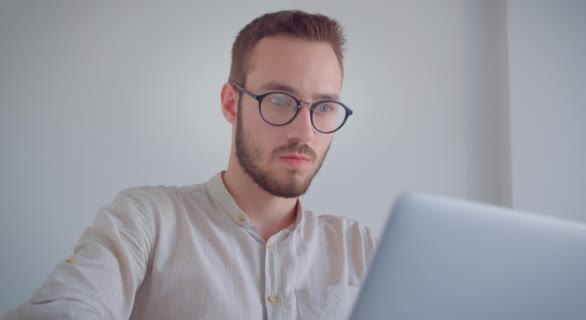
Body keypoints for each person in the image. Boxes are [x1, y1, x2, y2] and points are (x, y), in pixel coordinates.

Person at [6, 10, 375, 320]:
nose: (304, 132)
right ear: (232, 104)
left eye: (324, 107)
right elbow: (66, 307)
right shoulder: (147, 220)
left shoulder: (360, 248)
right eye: (279, 99)